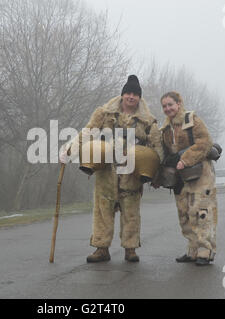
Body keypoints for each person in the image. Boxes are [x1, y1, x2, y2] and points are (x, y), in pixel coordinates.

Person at [59, 75, 164, 263]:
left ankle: (130, 249)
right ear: (123, 94)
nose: (131, 97)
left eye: (135, 94)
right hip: (106, 170)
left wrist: (157, 174)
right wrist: (69, 150)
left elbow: (157, 148)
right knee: (102, 210)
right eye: (128, 93)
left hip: (132, 172)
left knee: (131, 212)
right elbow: (88, 131)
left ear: (139, 98)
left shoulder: (148, 121)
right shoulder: (104, 113)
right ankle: (101, 248)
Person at [153, 91, 218, 266]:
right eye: (164, 106)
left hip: (200, 173)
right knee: (184, 214)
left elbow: (205, 142)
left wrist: (185, 159)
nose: (167, 109)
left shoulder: (192, 120)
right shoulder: (165, 129)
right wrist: (158, 177)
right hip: (179, 178)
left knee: (201, 212)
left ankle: (206, 250)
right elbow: (164, 154)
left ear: (179, 103)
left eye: (170, 105)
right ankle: (193, 250)